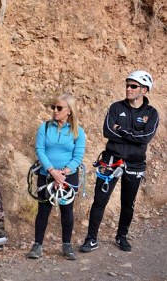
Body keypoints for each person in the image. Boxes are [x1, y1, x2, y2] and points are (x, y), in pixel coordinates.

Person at [80, 70, 159, 253]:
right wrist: (132, 135)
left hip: (135, 163)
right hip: (111, 160)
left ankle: (121, 236)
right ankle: (91, 239)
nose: (128, 89)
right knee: (99, 201)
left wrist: (121, 131)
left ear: (144, 90)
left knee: (128, 203)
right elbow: (108, 131)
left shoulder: (151, 113)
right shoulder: (116, 107)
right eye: (127, 85)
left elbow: (145, 137)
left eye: (133, 86)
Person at [26, 94, 86, 260]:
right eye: (54, 107)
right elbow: (40, 150)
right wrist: (52, 171)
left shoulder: (78, 132)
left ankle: (67, 245)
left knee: (67, 210)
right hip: (46, 174)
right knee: (43, 210)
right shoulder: (44, 127)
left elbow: (78, 156)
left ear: (69, 111)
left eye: (59, 108)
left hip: (68, 176)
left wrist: (64, 172)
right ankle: (37, 245)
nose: (55, 111)